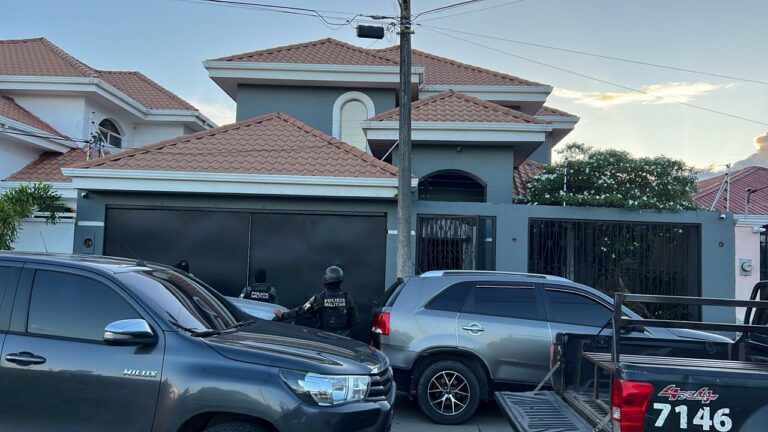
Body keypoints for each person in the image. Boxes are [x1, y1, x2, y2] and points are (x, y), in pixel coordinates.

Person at [274, 266, 358, 337]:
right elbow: (355, 321)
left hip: (323, 338)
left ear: (325, 280)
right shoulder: (348, 299)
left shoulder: (318, 298)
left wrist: (283, 315)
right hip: (343, 340)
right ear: (340, 281)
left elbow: (301, 310)